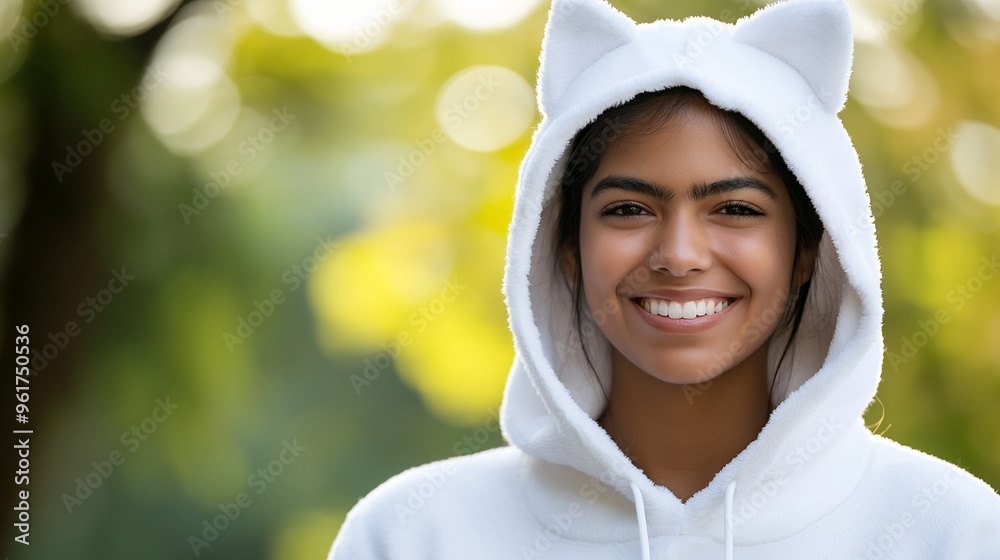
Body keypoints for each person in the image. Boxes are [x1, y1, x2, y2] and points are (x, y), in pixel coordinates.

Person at [328, 0, 1000, 558]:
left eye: (735, 210)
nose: (678, 254)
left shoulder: (951, 531)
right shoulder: (414, 535)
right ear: (565, 246)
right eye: (628, 210)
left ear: (809, 250)